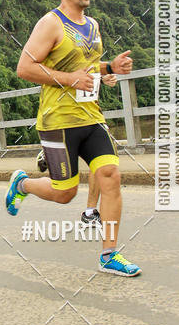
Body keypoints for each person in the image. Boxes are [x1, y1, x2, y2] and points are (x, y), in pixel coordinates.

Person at [6, 0, 140, 276]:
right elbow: (24, 68)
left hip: (90, 116)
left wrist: (109, 69)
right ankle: (22, 184)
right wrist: (69, 79)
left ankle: (109, 254)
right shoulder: (50, 23)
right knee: (66, 193)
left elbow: (87, 70)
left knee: (110, 175)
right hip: (58, 120)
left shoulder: (93, 26)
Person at [36, 72, 119, 226]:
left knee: (103, 165)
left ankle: (90, 212)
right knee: (65, 194)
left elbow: (90, 67)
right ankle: (25, 181)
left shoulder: (93, 49)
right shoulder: (52, 49)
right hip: (60, 117)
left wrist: (103, 76)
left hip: (90, 115)